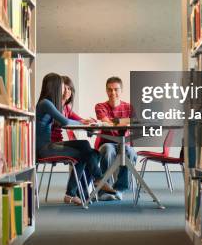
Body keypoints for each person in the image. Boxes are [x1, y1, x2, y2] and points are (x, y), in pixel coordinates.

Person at [36, 73, 115, 205]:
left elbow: (70, 119)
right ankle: (76, 191)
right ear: (54, 87)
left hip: (48, 146)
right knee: (85, 154)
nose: (65, 90)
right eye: (63, 87)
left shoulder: (48, 103)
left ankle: (95, 181)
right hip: (44, 149)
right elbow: (65, 122)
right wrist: (84, 124)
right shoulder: (45, 103)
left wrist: (86, 123)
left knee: (87, 148)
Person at [94, 76, 137, 201]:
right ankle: (103, 190)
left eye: (116, 89)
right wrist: (125, 121)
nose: (113, 93)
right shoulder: (100, 106)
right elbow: (105, 122)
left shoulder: (129, 107)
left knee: (130, 153)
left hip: (124, 143)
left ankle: (119, 189)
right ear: (106, 91)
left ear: (121, 90)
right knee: (107, 150)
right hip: (106, 142)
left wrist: (114, 122)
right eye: (110, 90)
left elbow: (137, 122)